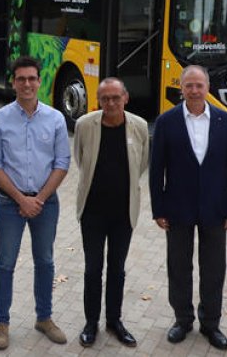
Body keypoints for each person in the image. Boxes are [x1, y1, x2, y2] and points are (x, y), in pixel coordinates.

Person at [149, 65, 227, 351]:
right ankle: (182, 319)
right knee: (179, 266)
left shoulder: (226, 121)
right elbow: (156, 171)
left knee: (214, 268)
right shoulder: (166, 122)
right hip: (177, 207)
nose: (194, 90)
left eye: (199, 85)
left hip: (216, 208)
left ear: (207, 88)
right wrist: (158, 208)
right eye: (188, 85)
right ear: (181, 88)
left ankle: (211, 323)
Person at [0, 56, 71, 350]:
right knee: (5, 264)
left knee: (45, 261)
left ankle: (44, 318)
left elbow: (62, 163)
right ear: (13, 82)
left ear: (39, 81)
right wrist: (22, 199)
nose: (26, 84)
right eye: (20, 79)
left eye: (32, 78)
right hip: (10, 202)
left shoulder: (56, 118)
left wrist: (39, 199)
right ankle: (1, 324)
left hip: (46, 203)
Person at [72, 77, 148, 348]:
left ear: (125, 98)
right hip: (92, 212)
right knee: (93, 269)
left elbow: (141, 164)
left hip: (123, 214)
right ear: (98, 100)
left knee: (117, 269)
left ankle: (114, 321)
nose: (111, 103)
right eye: (105, 98)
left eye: (116, 97)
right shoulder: (84, 125)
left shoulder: (139, 126)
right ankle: (91, 322)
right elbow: (81, 160)